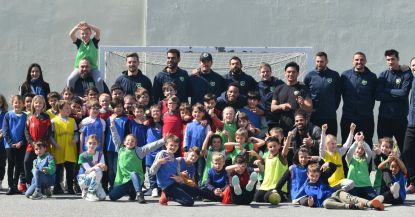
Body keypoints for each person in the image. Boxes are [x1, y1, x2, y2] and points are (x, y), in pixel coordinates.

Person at [150, 135, 216, 206]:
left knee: (197, 191)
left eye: (175, 146)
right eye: (171, 145)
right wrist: (158, 162)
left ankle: (219, 198)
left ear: (178, 147)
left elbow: (179, 176)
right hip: (167, 187)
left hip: (175, 184)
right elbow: (152, 172)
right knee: (190, 202)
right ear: (166, 145)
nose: (173, 147)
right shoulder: (162, 154)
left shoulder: (175, 161)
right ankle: (167, 195)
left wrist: (180, 178)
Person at [108, 123, 166, 203]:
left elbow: (150, 146)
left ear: (135, 144)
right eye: (128, 140)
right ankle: (131, 192)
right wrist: (112, 125)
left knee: (133, 173)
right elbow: (115, 137)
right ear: (124, 142)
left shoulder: (139, 151)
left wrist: (163, 140)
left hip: (137, 178)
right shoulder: (120, 149)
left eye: (133, 141)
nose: (130, 142)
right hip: (124, 180)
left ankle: (139, 194)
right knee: (112, 196)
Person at [302, 163, 384, 210]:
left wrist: (328, 163)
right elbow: (314, 201)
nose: (314, 178)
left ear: (319, 174)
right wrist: (311, 204)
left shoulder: (322, 178)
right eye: (312, 176)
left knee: (351, 197)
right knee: (326, 204)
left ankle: (371, 203)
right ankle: (351, 206)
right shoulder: (307, 188)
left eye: (316, 176)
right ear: (307, 175)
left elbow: (333, 167)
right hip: (327, 200)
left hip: (335, 193)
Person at [376, 49, 413, 153]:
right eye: (388, 60)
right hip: (384, 118)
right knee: (384, 148)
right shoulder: (383, 75)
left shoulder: (406, 74)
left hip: (400, 118)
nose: (390, 62)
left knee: (405, 148)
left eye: (393, 59)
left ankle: (406, 169)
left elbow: (404, 93)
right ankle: (384, 169)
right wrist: (396, 94)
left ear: (398, 59)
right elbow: (378, 95)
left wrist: (387, 90)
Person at [340, 52, 377, 147]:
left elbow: (374, 95)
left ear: (365, 61)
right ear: (353, 61)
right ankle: (346, 163)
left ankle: (366, 163)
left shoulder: (372, 77)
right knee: (347, 144)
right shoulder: (345, 76)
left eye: (361, 59)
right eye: (356, 60)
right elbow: (339, 93)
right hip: (348, 117)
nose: (359, 62)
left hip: (366, 118)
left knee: (366, 144)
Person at [304, 52, 341, 135]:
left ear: (327, 61)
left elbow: (338, 94)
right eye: (317, 61)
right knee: (315, 143)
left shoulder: (334, 75)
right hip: (314, 116)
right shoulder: (309, 76)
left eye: (321, 61)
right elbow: (307, 96)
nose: (319, 64)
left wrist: (332, 107)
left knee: (331, 141)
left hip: (330, 116)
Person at [271, 62, 313, 134]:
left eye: (293, 72)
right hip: (282, 127)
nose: (291, 74)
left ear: (298, 73)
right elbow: (272, 108)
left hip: (299, 128)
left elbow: (309, 108)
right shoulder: (279, 88)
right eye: (289, 72)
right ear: (285, 73)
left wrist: (302, 104)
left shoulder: (303, 89)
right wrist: (281, 106)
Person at [50, 100, 78, 194]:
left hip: (70, 149)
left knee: (70, 170)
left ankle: (70, 188)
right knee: (58, 170)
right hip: (58, 149)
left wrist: (75, 139)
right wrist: (54, 144)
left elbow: (76, 133)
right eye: (66, 108)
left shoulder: (72, 120)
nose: (69, 110)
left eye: (69, 108)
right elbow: (50, 135)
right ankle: (56, 188)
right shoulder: (54, 121)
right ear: (60, 109)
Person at [23, 95, 51, 192]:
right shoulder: (29, 116)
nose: (38, 104)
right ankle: (30, 183)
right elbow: (26, 131)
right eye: (36, 102)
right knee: (27, 162)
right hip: (32, 145)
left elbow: (48, 131)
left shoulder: (46, 117)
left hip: (42, 146)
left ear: (43, 104)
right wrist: (32, 142)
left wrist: (42, 143)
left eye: (40, 102)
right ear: (33, 104)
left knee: (42, 165)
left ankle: (43, 185)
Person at [67, 21, 104, 93]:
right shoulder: (79, 43)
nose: (84, 35)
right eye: (82, 34)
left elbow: (98, 31)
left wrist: (88, 25)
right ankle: (70, 97)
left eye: (87, 33)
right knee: (70, 79)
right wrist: (77, 27)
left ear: (90, 33)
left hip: (93, 68)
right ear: (80, 35)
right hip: (79, 68)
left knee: (99, 80)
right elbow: (71, 34)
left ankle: (101, 97)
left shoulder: (94, 42)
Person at [254, 135, 291, 203]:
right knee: (257, 198)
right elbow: (262, 170)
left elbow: (285, 150)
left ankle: (284, 196)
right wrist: (259, 163)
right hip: (266, 186)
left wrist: (289, 138)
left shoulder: (281, 157)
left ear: (279, 146)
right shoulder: (267, 158)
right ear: (268, 148)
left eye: (274, 146)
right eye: (270, 147)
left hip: (278, 188)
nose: (273, 148)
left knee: (267, 197)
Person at [2, 95, 27, 195]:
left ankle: (16, 185)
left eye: (20, 102)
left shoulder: (25, 116)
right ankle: (10, 186)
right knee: (11, 165)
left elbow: (26, 131)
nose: (18, 104)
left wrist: (21, 142)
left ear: (23, 104)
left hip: (21, 145)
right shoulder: (8, 115)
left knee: (19, 164)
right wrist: (11, 143)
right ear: (12, 104)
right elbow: (5, 131)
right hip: (10, 146)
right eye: (16, 102)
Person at [319, 123, 355, 190]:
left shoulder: (338, 152)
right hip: (329, 184)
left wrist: (352, 130)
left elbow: (347, 145)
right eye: (332, 144)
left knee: (351, 183)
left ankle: (339, 193)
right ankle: (335, 193)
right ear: (326, 145)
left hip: (341, 181)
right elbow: (321, 145)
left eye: (335, 143)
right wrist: (323, 132)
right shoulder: (324, 154)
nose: (335, 145)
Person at [104, 97, 129, 190]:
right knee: (110, 169)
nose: (118, 108)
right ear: (112, 108)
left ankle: (118, 185)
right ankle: (111, 185)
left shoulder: (126, 119)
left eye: (120, 106)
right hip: (109, 147)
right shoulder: (108, 119)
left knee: (116, 168)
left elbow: (127, 133)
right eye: (116, 107)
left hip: (120, 148)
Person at [346, 133, 377, 200]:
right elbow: (349, 152)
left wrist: (362, 141)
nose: (360, 150)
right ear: (355, 148)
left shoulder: (365, 159)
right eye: (358, 148)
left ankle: (370, 201)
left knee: (374, 197)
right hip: (353, 186)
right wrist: (356, 142)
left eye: (362, 149)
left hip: (366, 185)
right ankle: (363, 202)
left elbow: (369, 151)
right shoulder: (350, 159)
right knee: (353, 199)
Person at [77, 134, 107, 201]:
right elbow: (88, 170)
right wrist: (98, 165)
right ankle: (90, 192)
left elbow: (104, 168)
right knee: (97, 170)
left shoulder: (100, 155)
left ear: (97, 144)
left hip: (96, 180)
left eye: (94, 143)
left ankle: (88, 192)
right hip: (84, 179)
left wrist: (104, 167)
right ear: (86, 143)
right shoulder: (82, 156)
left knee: (103, 197)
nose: (92, 145)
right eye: (90, 143)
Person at [257, 63, 285, 128]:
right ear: (260, 73)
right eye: (263, 72)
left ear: (271, 72)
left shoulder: (278, 83)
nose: (265, 74)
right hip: (264, 119)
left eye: (267, 71)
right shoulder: (257, 85)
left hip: (278, 119)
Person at [0, 94, 8, 190]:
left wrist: (2, 133)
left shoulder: (6, 114)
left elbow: (6, 127)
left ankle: (0, 181)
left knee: (2, 164)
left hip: (2, 143)